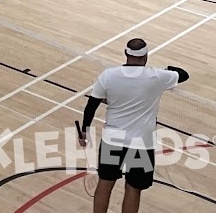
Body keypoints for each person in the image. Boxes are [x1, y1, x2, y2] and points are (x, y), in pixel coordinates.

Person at [78, 39, 189, 213]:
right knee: (133, 188)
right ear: (145, 56)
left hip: (112, 141)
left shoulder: (108, 75)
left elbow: (91, 106)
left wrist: (84, 132)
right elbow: (183, 74)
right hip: (142, 143)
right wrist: (167, 69)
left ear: (126, 54)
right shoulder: (157, 76)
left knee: (105, 183)